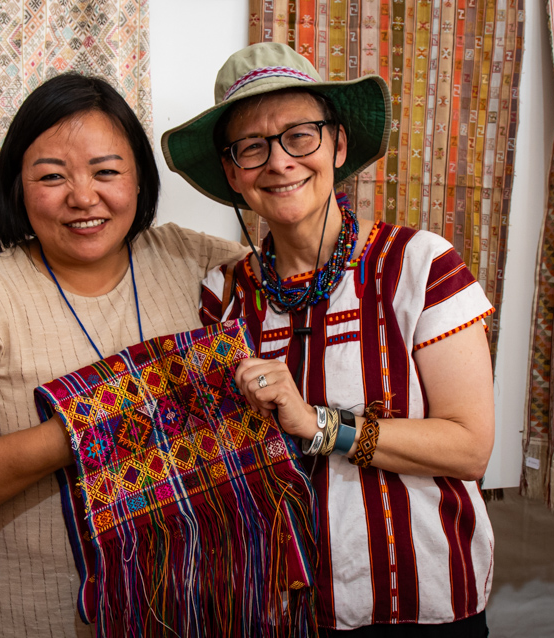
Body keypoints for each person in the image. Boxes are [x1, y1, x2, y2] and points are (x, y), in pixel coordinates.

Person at [0, 73, 245, 638]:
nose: (84, 197)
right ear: (16, 187)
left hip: (182, 606)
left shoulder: (189, 258)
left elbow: (301, 292)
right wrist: (86, 425)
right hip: (25, 614)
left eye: (107, 171)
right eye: (53, 177)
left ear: (139, 179)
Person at [162, 42, 496, 636]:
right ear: (233, 173)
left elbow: (470, 447)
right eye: (252, 146)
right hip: (282, 606)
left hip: (420, 598)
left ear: (338, 145)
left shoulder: (420, 266)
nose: (280, 162)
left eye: (300, 135)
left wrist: (317, 423)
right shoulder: (223, 295)